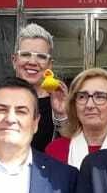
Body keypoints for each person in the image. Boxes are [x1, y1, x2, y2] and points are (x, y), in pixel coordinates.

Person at [45, 67, 107, 166]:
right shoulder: (56, 150)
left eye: (100, 97)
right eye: (82, 97)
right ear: (74, 106)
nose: (89, 105)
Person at [10, 22, 67, 150]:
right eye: (25, 55)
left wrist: (61, 115)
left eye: (41, 57)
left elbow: (69, 146)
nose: (32, 62)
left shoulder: (59, 103)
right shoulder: (0, 99)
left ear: (49, 65)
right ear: (14, 61)